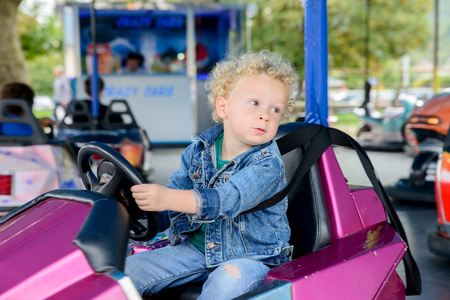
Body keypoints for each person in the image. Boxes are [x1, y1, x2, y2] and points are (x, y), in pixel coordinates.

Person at [125, 50, 298, 299]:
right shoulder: (198, 151)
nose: (265, 115)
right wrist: (137, 208)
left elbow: (228, 199)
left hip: (251, 258)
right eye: (255, 103)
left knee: (226, 281)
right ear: (223, 106)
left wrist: (168, 198)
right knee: (125, 274)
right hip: (196, 250)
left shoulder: (267, 164)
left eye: (276, 110)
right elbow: (172, 206)